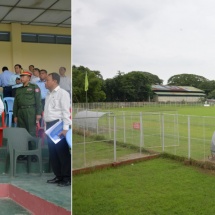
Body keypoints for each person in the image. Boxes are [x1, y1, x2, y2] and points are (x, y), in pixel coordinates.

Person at [44, 72, 71, 187]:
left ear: (54, 81)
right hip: (50, 126)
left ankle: (67, 178)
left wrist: (65, 129)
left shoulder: (62, 93)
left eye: (47, 80)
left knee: (62, 152)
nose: (46, 82)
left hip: (59, 125)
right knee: (53, 152)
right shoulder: (48, 94)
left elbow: (66, 112)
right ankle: (58, 176)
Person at [13, 71, 42, 138]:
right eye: (21, 76)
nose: (21, 78)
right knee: (21, 131)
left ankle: (32, 148)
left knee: (31, 131)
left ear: (29, 78)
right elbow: (16, 103)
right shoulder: (18, 89)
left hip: (30, 111)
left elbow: (38, 100)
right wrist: (15, 115)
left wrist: (38, 113)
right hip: (20, 111)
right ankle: (23, 147)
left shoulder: (34, 87)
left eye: (23, 76)